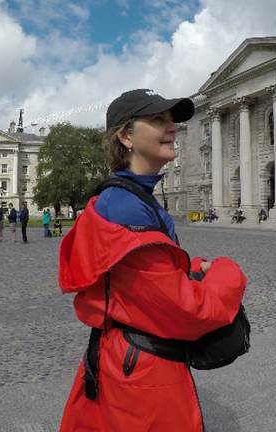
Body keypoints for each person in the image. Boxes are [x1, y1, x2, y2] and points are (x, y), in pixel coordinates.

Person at [57, 89, 247, 431]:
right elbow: (189, 310)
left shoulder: (130, 195)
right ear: (126, 136)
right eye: (158, 120)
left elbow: (136, 277)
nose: (172, 128)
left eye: (171, 120)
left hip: (125, 357)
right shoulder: (126, 206)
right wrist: (225, 271)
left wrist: (189, 266)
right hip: (143, 371)